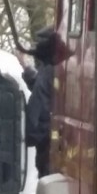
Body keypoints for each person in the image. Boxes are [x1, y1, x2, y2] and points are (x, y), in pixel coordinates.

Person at [25, 27, 58, 180]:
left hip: (48, 144)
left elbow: (40, 100)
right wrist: (26, 68)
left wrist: (29, 135)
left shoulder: (50, 71)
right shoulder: (55, 70)